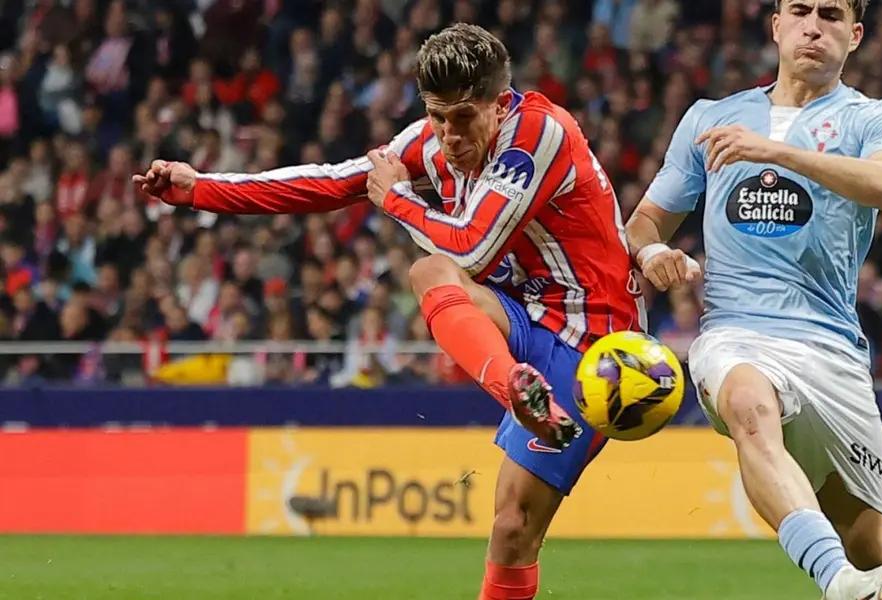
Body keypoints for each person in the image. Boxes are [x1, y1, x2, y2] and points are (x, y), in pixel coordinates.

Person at [134, 24, 644, 600]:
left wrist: (397, 199)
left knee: (513, 529)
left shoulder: (540, 135)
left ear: (500, 105)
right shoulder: (433, 140)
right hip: (526, 321)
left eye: (463, 117)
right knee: (427, 274)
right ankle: (517, 391)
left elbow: (473, 245)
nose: (448, 135)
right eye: (436, 116)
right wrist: (202, 188)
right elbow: (336, 181)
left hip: (595, 343)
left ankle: (530, 397)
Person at [625, 1, 882, 598]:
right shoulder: (712, 117)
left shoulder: (874, 118)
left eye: (832, 16)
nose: (814, 26)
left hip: (831, 348)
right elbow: (645, 223)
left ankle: (851, 575)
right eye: (801, 11)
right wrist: (653, 255)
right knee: (748, 406)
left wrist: (776, 152)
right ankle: (832, 577)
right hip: (736, 330)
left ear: (855, 35)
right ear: (777, 26)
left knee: (869, 545)